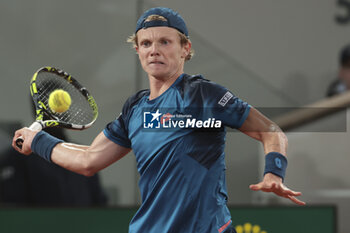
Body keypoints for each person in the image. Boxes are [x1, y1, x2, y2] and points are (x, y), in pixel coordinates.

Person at [12, 7, 305, 233]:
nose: (154, 49)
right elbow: (89, 160)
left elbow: (270, 130)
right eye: (146, 43)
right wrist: (38, 141)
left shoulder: (205, 96)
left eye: (165, 41)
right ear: (137, 50)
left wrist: (274, 172)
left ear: (185, 49)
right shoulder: (135, 109)